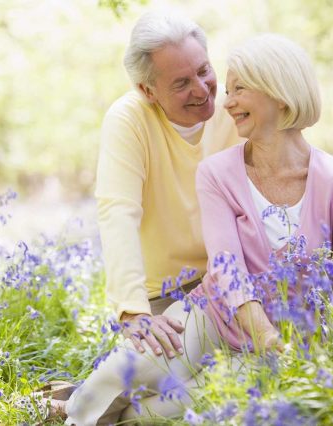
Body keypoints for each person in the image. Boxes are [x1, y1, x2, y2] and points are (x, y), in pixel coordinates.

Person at [62, 33, 333, 425]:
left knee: (157, 413)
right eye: (227, 90)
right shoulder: (218, 172)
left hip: (288, 339)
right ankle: (68, 415)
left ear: (279, 94)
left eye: (238, 89)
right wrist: (266, 338)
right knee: (120, 373)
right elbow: (227, 269)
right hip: (212, 314)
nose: (225, 102)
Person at [95, 10, 240, 361]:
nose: (202, 89)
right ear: (148, 90)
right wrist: (134, 312)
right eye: (181, 83)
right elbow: (118, 213)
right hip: (163, 292)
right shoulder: (129, 120)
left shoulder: (234, 109)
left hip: (227, 281)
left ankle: (74, 404)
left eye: (204, 70)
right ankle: (75, 405)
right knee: (158, 367)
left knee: (226, 371)